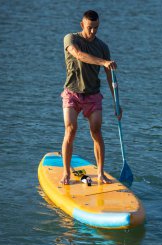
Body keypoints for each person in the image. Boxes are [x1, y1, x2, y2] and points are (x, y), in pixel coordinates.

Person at [60, 10, 121, 185]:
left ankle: (101, 173)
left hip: (93, 95)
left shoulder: (102, 47)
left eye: (96, 28)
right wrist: (103, 62)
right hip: (72, 93)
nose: (93, 31)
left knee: (96, 131)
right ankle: (66, 173)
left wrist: (117, 102)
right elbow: (79, 55)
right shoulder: (70, 39)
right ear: (82, 25)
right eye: (89, 27)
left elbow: (111, 77)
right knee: (70, 130)